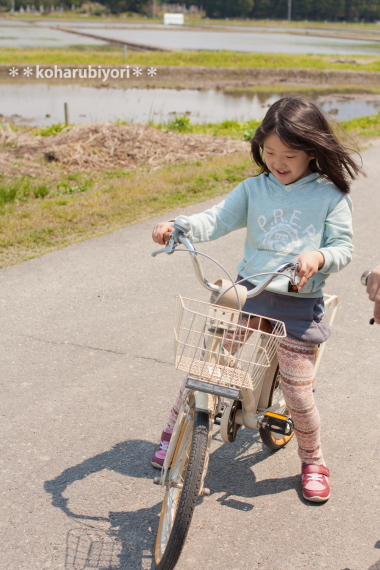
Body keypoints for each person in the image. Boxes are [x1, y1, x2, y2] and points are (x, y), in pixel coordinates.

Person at [151, 96, 364, 503]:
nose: (278, 162)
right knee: (207, 362)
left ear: (313, 153)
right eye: (269, 152)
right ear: (259, 147)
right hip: (248, 294)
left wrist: (317, 257)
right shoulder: (254, 189)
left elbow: (343, 249)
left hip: (297, 304)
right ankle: (173, 433)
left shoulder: (330, 196)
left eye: (290, 154)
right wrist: (178, 226)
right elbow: (216, 219)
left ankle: (313, 459)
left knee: (300, 394)